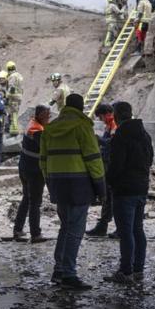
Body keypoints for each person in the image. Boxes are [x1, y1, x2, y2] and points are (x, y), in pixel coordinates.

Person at [40, 93, 105, 291]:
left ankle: (59, 270)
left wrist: (50, 184)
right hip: (79, 185)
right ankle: (69, 274)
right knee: (75, 230)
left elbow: (43, 162)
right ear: (81, 107)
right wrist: (101, 187)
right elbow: (94, 159)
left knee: (65, 227)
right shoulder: (83, 127)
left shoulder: (49, 129)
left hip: (58, 184)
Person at [103, 101, 153, 284]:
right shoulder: (144, 134)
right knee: (137, 229)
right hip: (141, 187)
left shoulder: (121, 135)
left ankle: (125, 271)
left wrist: (109, 182)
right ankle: (138, 269)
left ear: (117, 115)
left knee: (126, 232)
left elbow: (116, 165)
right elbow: (150, 159)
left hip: (124, 190)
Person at [14, 105, 51, 243]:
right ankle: (35, 234)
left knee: (26, 199)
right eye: (47, 115)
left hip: (24, 167)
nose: (49, 117)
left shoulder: (32, 123)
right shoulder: (37, 129)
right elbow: (46, 147)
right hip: (34, 170)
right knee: (35, 202)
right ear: (40, 114)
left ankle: (17, 230)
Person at [86, 103, 117, 237]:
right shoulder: (110, 124)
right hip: (107, 164)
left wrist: (99, 140)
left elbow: (113, 143)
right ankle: (103, 225)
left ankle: (108, 226)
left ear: (105, 114)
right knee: (108, 196)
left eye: (100, 117)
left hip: (111, 165)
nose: (100, 120)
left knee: (110, 196)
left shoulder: (114, 124)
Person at [5, 61, 25, 136]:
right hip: (18, 97)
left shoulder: (12, 76)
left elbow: (12, 87)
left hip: (13, 98)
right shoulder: (19, 75)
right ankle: (14, 130)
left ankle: (14, 131)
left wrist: (7, 96)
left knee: (13, 114)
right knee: (15, 113)